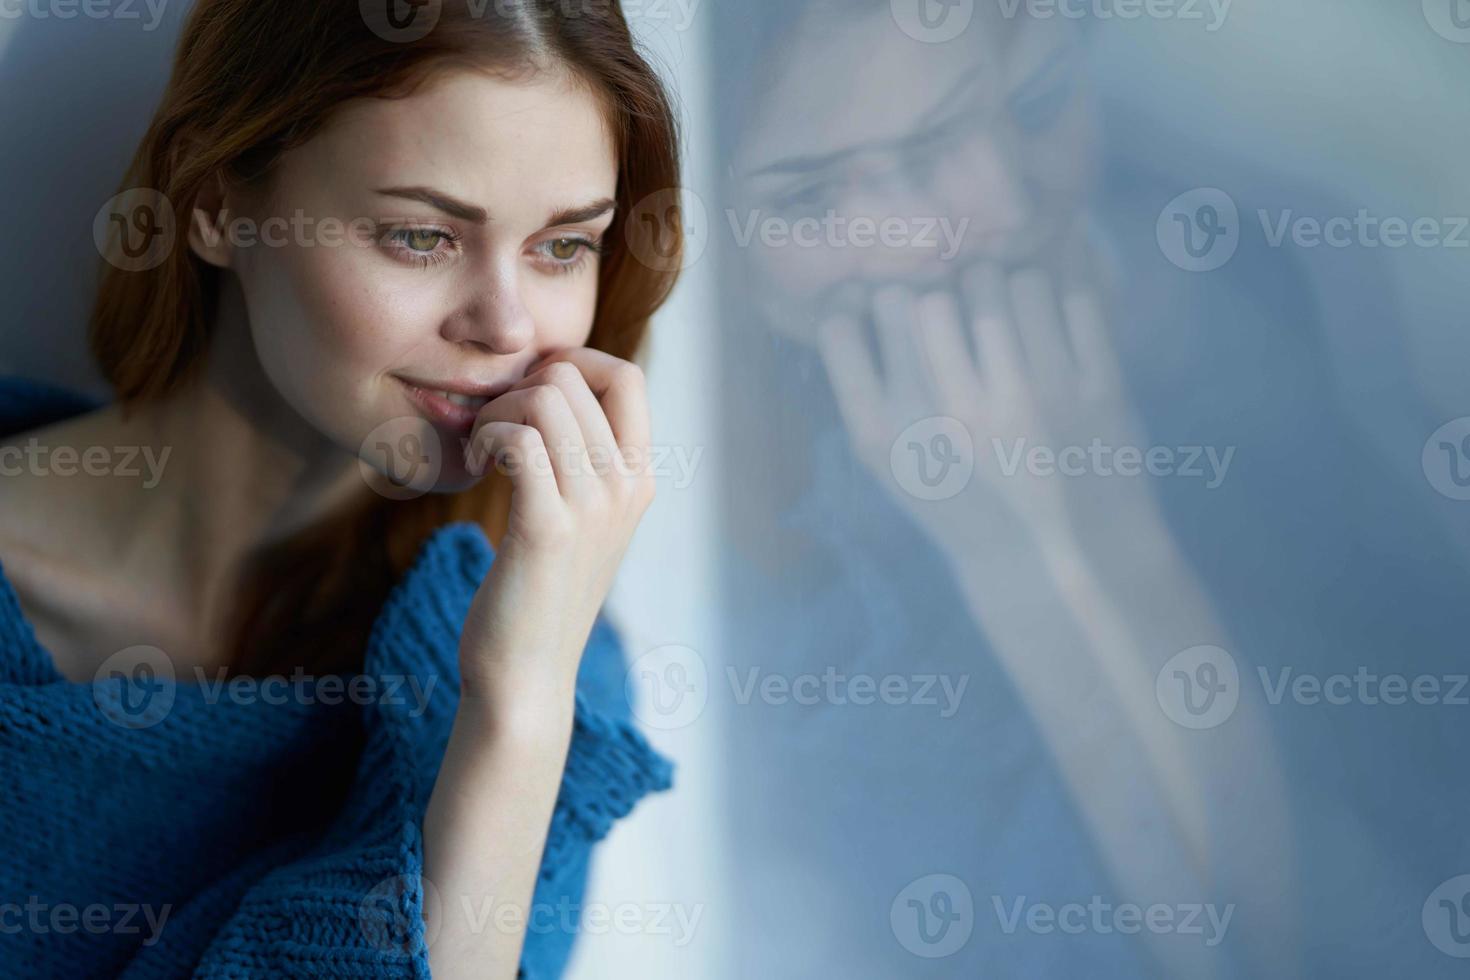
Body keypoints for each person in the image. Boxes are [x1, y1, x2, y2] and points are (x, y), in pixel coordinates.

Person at [0, 1, 683, 977]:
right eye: (420, 236)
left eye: (562, 245)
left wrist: (516, 704)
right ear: (213, 203)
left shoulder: (544, 649)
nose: (507, 324)